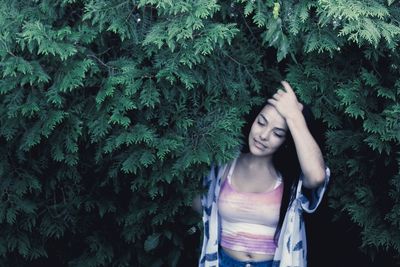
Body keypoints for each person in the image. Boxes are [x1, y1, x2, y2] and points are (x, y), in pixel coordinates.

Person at [194, 81, 331, 267]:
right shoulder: (224, 163)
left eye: (278, 133)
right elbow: (198, 206)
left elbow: (317, 176)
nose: (263, 135)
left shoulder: (290, 178)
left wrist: (294, 117)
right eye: (261, 122)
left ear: (286, 140)